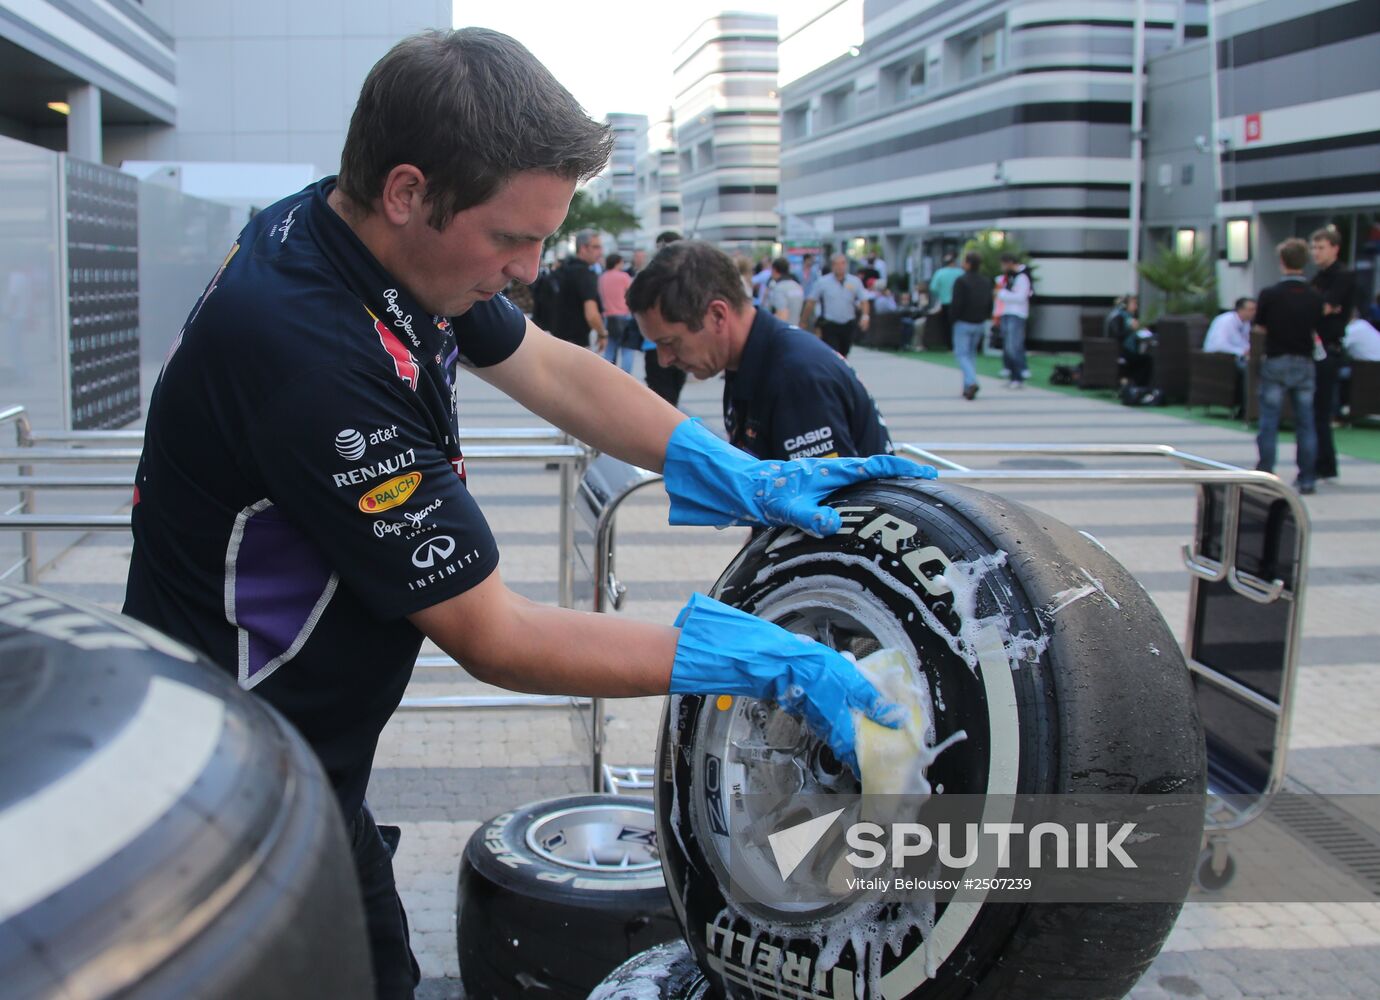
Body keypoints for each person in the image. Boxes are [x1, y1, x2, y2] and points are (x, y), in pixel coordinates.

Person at [120, 29, 931, 1000]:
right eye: (513, 238)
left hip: (303, 769)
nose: (531, 268)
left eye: (544, 236)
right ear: (409, 191)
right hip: (229, 802)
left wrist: (725, 467)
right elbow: (495, 634)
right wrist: (757, 656)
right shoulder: (310, 351)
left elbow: (547, 364)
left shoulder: (370, 241)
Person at [630, 240, 893, 463]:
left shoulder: (795, 377)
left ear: (718, 315)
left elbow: (830, 508)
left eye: (670, 342)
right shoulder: (750, 361)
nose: (664, 360)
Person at [1254, 238, 1323, 494]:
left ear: (1282, 262)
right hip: (1304, 360)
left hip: (1277, 357)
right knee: (1306, 423)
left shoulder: (1270, 295)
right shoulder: (1315, 297)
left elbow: (1260, 327)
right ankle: (1307, 477)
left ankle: (1265, 472)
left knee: (1269, 420)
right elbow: (1318, 325)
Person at [1310, 226, 1356, 482]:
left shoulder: (1343, 276)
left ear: (1335, 248)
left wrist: (1321, 307)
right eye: (1314, 248)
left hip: (1328, 348)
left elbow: (1324, 307)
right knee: (1314, 409)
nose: (1316, 253)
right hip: (1314, 346)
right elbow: (1317, 306)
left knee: (1321, 408)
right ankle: (1321, 460)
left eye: (1321, 247)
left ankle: (1325, 462)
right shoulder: (1318, 277)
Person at [642, 230, 688, 405]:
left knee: (670, 396)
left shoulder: (689, 276)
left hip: (678, 344)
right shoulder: (651, 276)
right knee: (664, 398)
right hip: (656, 345)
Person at [803, 253, 869, 357]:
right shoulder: (823, 282)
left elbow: (864, 300)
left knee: (844, 352)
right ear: (832, 266)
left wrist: (865, 316)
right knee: (833, 353)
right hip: (830, 323)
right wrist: (804, 320)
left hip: (848, 322)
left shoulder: (855, 281)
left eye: (842, 263)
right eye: (836, 264)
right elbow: (811, 301)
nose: (840, 267)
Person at [554, 228, 607, 352]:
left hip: (555, 341)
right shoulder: (585, 273)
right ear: (583, 248)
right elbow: (592, 314)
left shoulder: (563, 269)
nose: (600, 252)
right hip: (576, 345)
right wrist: (602, 334)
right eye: (596, 247)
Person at [950, 250, 992, 400]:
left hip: (963, 321)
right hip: (979, 322)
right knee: (971, 354)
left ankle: (971, 381)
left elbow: (956, 304)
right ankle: (967, 386)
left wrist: (952, 319)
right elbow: (989, 302)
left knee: (961, 354)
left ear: (967, 263)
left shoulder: (961, 281)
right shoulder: (986, 281)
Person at [994, 252, 1032, 388]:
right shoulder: (1008, 278)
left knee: (1013, 346)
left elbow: (1021, 297)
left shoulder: (1023, 277)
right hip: (1007, 312)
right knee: (1008, 345)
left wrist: (1003, 294)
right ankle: (1012, 374)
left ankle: (1018, 376)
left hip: (1017, 314)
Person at [597, 252, 638, 373]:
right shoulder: (624, 277)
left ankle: (606, 373)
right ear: (618, 262)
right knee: (627, 349)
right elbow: (632, 294)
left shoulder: (602, 277)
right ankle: (626, 376)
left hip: (608, 317)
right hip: (624, 315)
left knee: (610, 348)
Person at [1107, 294, 1151, 388]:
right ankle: (1135, 386)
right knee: (1146, 360)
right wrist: (1131, 329)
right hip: (1119, 351)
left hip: (1128, 351)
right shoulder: (1118, 317)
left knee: (1146, 358)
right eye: (1134, 304)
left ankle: (1134, 385)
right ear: (1125, 305)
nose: (1136, 307)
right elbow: (1117, 336)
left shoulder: (1131, 317)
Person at [928, 252, 964, 349]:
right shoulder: (960, 273)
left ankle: (949, 346)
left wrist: (941, 294)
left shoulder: (940, 273)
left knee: (946, 325)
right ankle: (959, 345)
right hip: (959, 303)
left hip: (945, 302)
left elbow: (933, 288)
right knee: (958, 324)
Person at [765, 256, 804, 326]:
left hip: (783, 331)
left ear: (774, 270)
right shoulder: (797, 286)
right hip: (795, 328)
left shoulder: (779, 288)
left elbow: (781, 315)